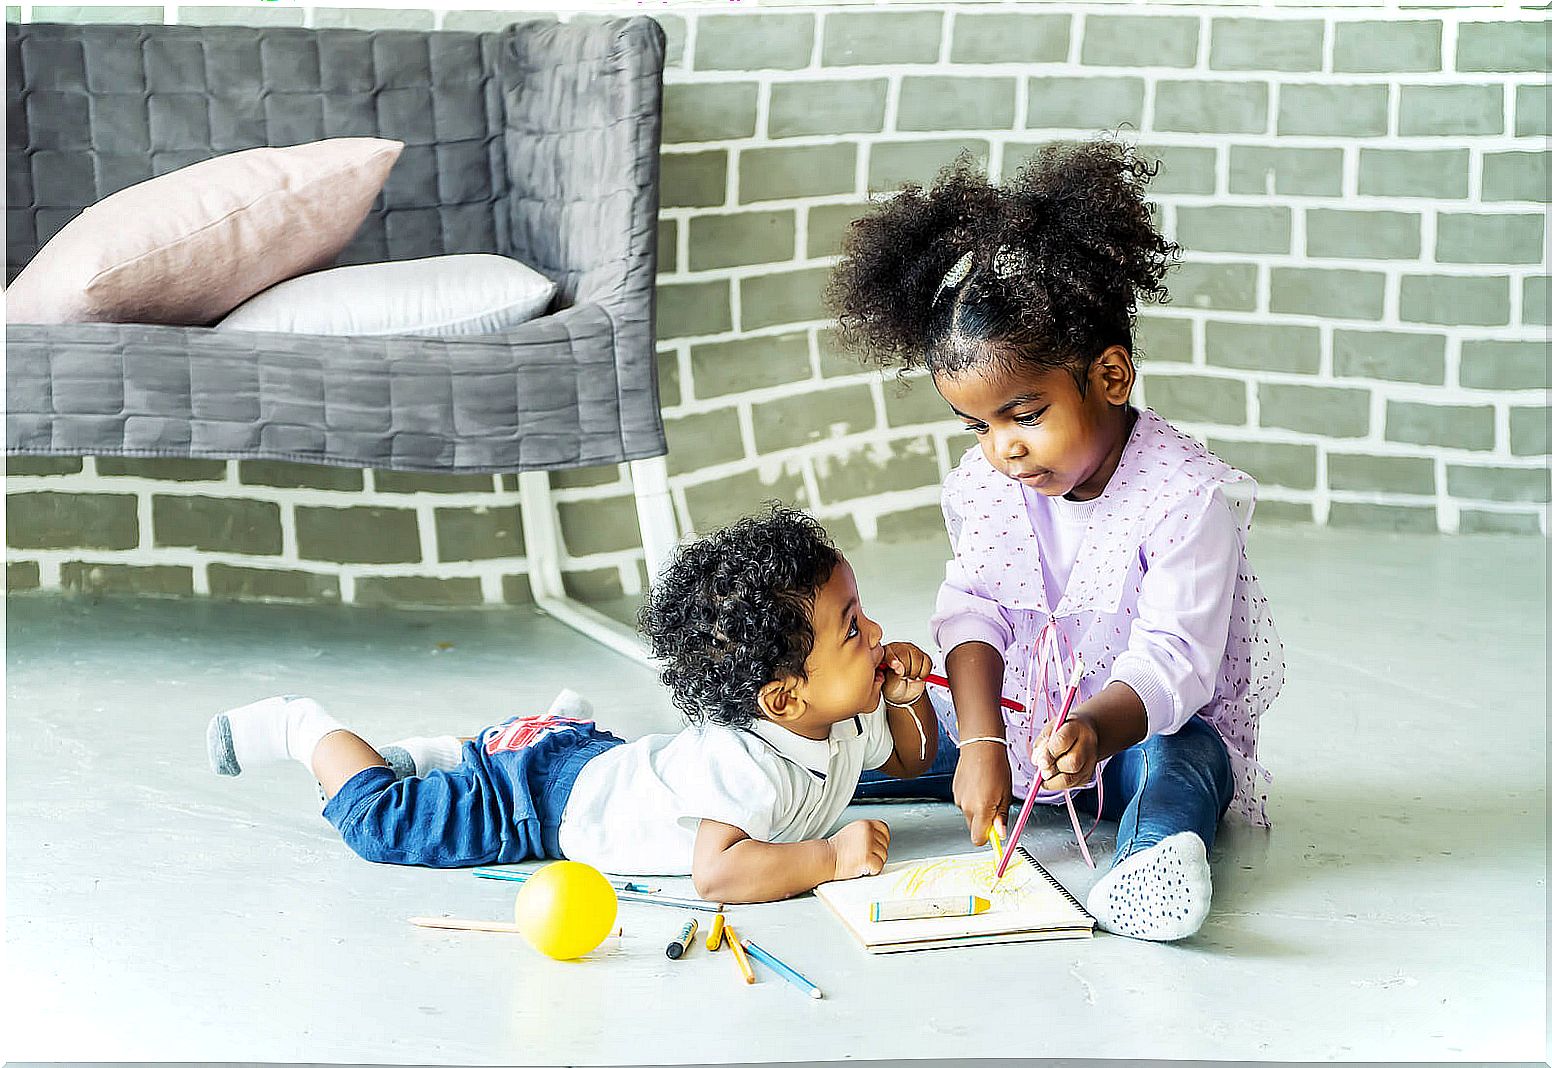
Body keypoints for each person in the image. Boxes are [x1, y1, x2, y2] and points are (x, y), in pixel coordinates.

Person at [831, 139, 1285, 940]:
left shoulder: (1186, 499)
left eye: (1025, 415)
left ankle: (1154, 862)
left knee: (1179, 769)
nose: (1002, 447)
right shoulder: (988, 484)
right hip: (1018, 726)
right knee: (880, 743)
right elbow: (972, 612)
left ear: (1110, 377)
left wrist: (1093, 732)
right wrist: (978, 743)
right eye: (977, 425)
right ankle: (785, 781)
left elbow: (1173, 661)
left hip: (1138, 728)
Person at [205, 506, 938, 904]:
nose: (876, 634)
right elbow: (718, 876)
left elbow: (911, 760)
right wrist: (828, 857)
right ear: (782, 697)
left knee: (531, 754)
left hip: (601, 762)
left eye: (862, 614)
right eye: (853, 629)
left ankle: (461, 754)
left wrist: (908, 701)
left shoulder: (841, 714)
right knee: (387, 827)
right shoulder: (743, 766)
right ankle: (306, 726)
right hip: (541, 803)